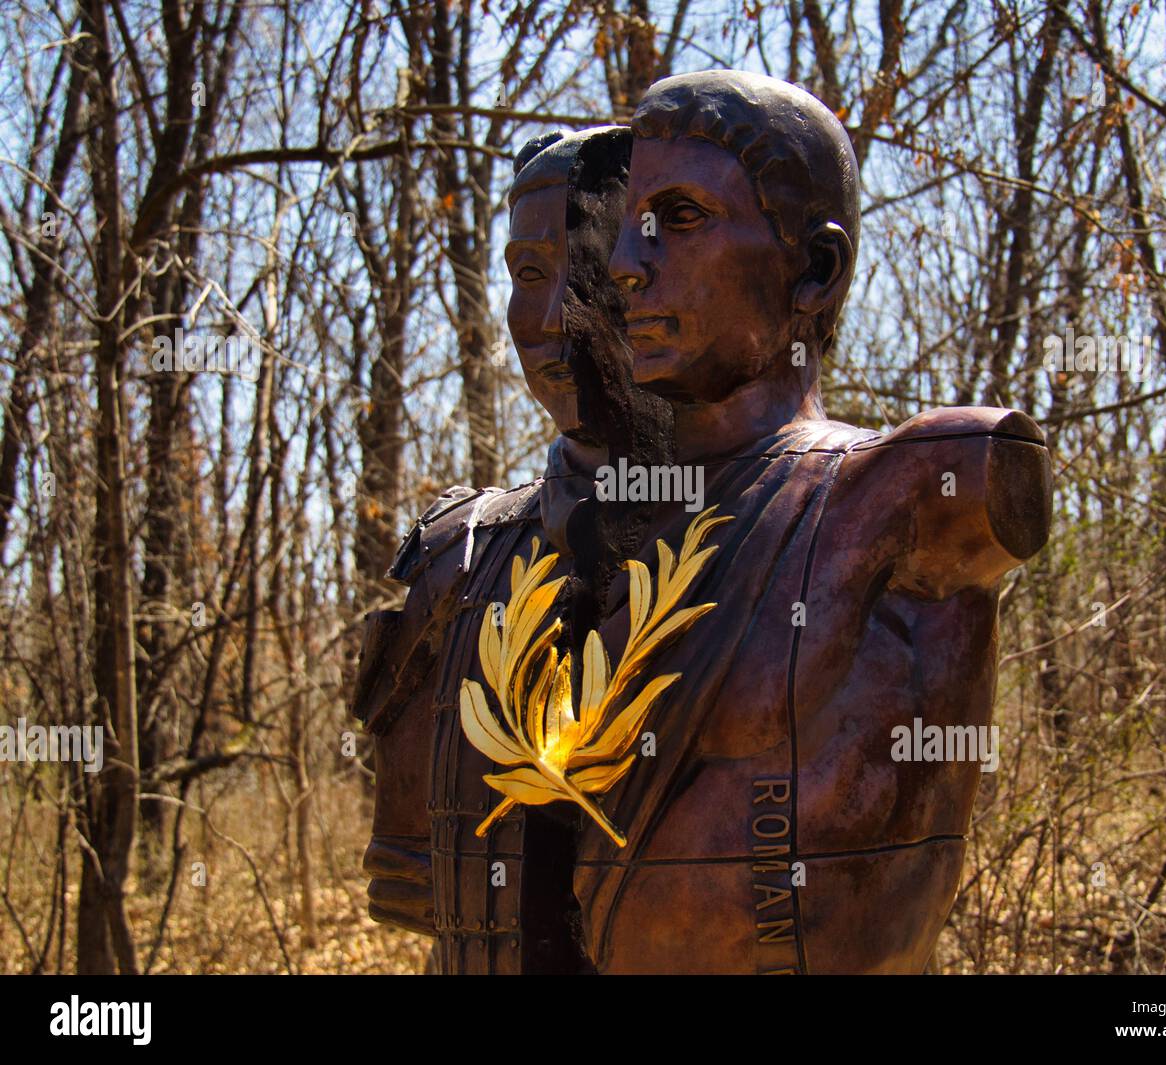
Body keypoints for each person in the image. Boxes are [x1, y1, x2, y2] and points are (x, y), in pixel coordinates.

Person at [558, 70, 1054, 973]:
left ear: (815, 271)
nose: (626, 261)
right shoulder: (604, 524)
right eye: (631, 220)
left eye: (681, 216)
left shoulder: (915, 491)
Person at [351, 125, 670, 973]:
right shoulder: (455, 559)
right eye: (529, 275)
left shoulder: (776, 539)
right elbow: (426, 895)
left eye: (592, 266)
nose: (556, 316)